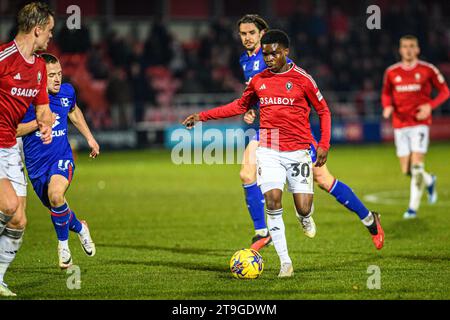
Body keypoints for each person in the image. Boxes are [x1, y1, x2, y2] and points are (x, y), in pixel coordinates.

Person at [183, 30, 333, 277]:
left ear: (286, 51)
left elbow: (324, 111)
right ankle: (285, 263)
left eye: (274, 53)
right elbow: (239, 106)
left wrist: (324, 144)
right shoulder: (259, 80)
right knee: (273, 201)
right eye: (266, 53)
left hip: (298, 152)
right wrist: (202, 116)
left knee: (304, 207)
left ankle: (304, 217)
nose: (270, 57)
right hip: (269, 149)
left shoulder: (303, 79)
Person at [238, 14, 384, 251]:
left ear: (263, 34)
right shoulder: (245, 61)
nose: (247, 38)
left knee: (324, 179)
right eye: (243, 34)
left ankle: (369, 218)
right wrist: (251, 109)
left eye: (251, 33)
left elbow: (293, 88)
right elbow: (260, 94)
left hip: (294, 134)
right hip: (268, 133)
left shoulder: (272, 59)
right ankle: (262, 232)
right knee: (247, 173)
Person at [17, 53, 99, 269]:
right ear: (39, 77)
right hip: (36, 167)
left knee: (56, 194)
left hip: (62, 158)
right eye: (51, 75)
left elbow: (73, 111)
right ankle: (81, 228)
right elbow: (13, 130)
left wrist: (90, 138)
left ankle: (63, 247)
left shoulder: (67, 92)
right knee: (57, 206)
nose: (57, 79)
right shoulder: (26, 101)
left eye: (59, 74)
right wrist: (39, 122)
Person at [0, 1, 54, 297]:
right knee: (7, 205)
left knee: (19, 220)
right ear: (37, 29)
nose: (51, 37)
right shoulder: (3, 58)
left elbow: (42, 109)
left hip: (9, 146)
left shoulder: (40, 69)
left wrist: (44, 125)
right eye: (49, 31)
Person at [382, 35, 449, 219]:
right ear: (400, 50)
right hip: (399, 124)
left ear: (418, 49)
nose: (408, 49)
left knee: (417, 167)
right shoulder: (391, 72)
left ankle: (412, 208)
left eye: (412, 46)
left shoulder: (428, 70)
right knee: (407, 170)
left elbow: (445, 91)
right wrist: (387, 106)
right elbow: (386, 93)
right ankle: (430, 180)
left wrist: (430, 106)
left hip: (419, 124)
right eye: (405, 46)